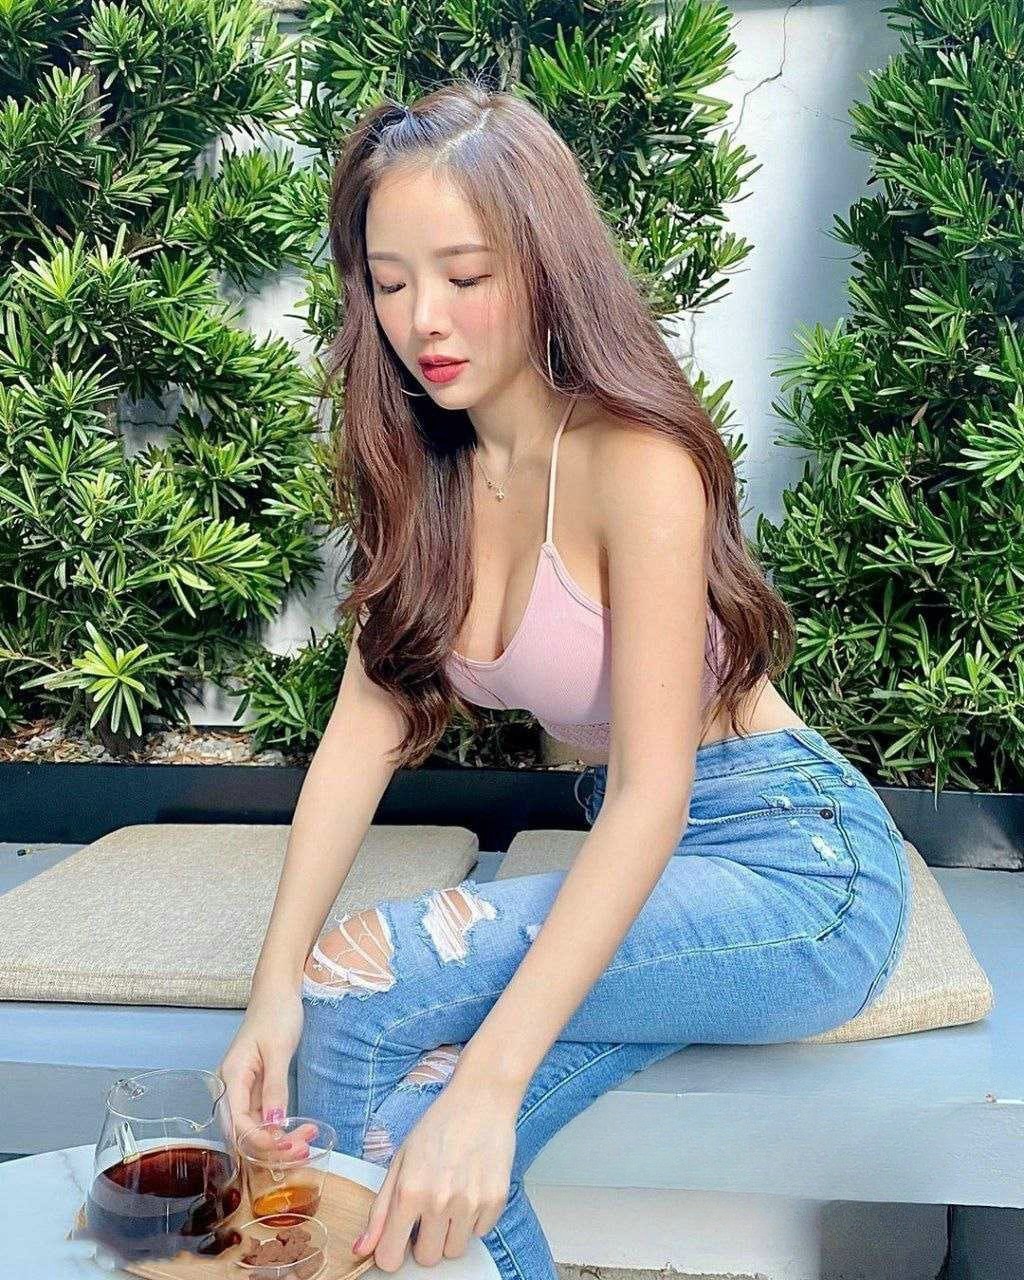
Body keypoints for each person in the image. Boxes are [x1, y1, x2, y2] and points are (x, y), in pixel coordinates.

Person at [218, 79, 911, 1279]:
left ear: (543, 266)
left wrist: (490, 1087)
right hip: (654, 862)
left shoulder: (633, 460)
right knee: (398, 1127)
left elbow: (651, 793)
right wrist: (266, 992)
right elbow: (358, 737)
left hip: (795, 870)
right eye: (390, 282)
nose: (424, 318)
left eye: (465, 275)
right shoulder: (427, 467)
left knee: (368, 983)